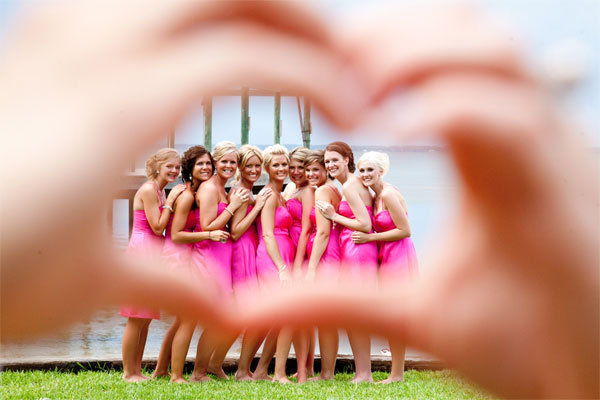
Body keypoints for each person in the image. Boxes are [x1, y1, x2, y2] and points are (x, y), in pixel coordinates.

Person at [2, 2, 598, 398]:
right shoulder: (222, 189)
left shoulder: (311, 188)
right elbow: (221, 222)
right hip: (253, 253)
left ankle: (215, 370)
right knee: (192, 318)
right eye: (218, 160)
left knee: (248, 321)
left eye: (238, 162)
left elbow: (323, 221)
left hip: (293, 253)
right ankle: (172, 371)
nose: (229, 167)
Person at [119, 148, 186, 382]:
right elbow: (157, 226)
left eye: (177, 167)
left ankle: (137, 370)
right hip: (143, 251)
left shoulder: (160, 190)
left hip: (153, 251)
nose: (175, 170)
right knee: (136, 315)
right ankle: (128, 373)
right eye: (170, 166)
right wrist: (171, 202)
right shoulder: (149, 190)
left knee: (145, 317)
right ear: (158, 166)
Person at [353, 151, 418, 383]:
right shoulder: (375, 195)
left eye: (370, 170)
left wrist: (369, 239)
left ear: (381, 171)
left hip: (398, 256)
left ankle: (397, 374)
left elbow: (405, 230)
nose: (365, 174)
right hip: (385, 254)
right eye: (361, 170)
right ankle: (395, 372)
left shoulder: (389, 194)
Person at [317, 141, 377, 383]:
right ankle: (363, 372)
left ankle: (364, 374)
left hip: (357, 248)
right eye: (327, 161)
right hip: (354, 247)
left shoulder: (351, 186)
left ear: (347, 159)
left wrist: (334, 216)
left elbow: (365, 224)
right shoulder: (352, 184)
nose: (330, 165)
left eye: (335, 160)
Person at [189, 141, 248, 382]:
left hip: (223, 256)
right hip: (209, 256)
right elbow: (208, 226)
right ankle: (198, 372)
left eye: (233, 162)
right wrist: (234, 206)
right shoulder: (210, 189)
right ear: (215, 162)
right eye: (224, 161)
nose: (229, 166)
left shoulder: (223, 188)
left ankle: (213, 365)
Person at [252, 145, 296, 384]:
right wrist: (281, 268)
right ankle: (278, 374)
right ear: (267, 168)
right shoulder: (268, 194)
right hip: (272, 257)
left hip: (284, 254)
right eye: (276, 165)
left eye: (284, 164)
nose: (282, 168)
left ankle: (260, 371)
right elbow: (267, 235)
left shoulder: (282, 193)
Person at [229, 145, 273, 381]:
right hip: (242, 250)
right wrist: (257, 207)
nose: (255, 170)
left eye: (258, 165)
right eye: (250, 166)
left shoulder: (248, 190)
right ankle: (241, 370)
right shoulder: (242, 193)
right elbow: (235, 232)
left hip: (251, 249)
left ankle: (236, 367)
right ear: (240, 167)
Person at [304, 150, 343, 381]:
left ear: (325, 170)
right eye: (307, 170)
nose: (310, 174)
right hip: (332, 253)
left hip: (326, 255)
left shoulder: (322, 191)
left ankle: (326, 373)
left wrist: (310, 270)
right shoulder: (335, 189)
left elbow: (323, 234)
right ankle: (326, 371)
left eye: (315, 169)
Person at [282, 146, 313, 382]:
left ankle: (304, 370)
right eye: (291, 167)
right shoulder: (292, 187)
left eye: (299, 168)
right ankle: (306, 367)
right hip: (288, 243)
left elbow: (306, 229)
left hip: (299, 248)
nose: (294, 172)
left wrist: (297, 263)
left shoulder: (308, 191)